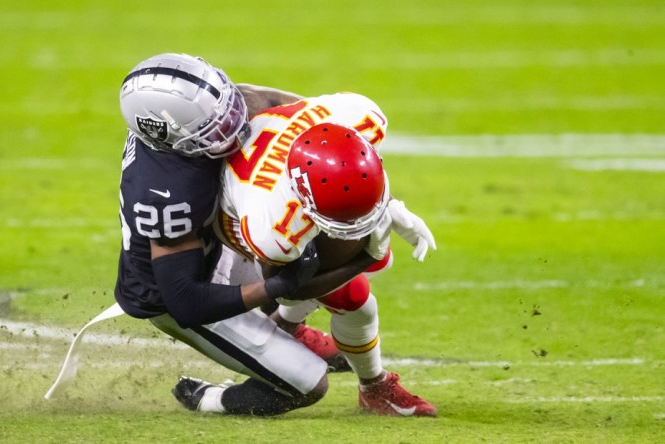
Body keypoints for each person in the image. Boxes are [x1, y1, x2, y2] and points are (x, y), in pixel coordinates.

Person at [115, 53, 393, 416]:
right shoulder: (167, 192)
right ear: (167, 136)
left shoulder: (212, 107)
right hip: (180, 288)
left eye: (228, 109)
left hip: (221, 233)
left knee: (315, 262)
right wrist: (277, 289)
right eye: (213, 129)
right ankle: (212, 400)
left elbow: (290, 112)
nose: (234, 127)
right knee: (308, 385)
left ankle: (286, 328)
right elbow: (184, 300)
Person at [175, 93, 437, 417]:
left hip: (274, 175)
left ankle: (291, 328)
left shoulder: (358, 116)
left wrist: (391, 205)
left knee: (371, 267)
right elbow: (286, 289)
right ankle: (373, 385)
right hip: (227, 225)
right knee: (354, 298)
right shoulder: (272, 226)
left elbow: (347, 163)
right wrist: (365, 257)